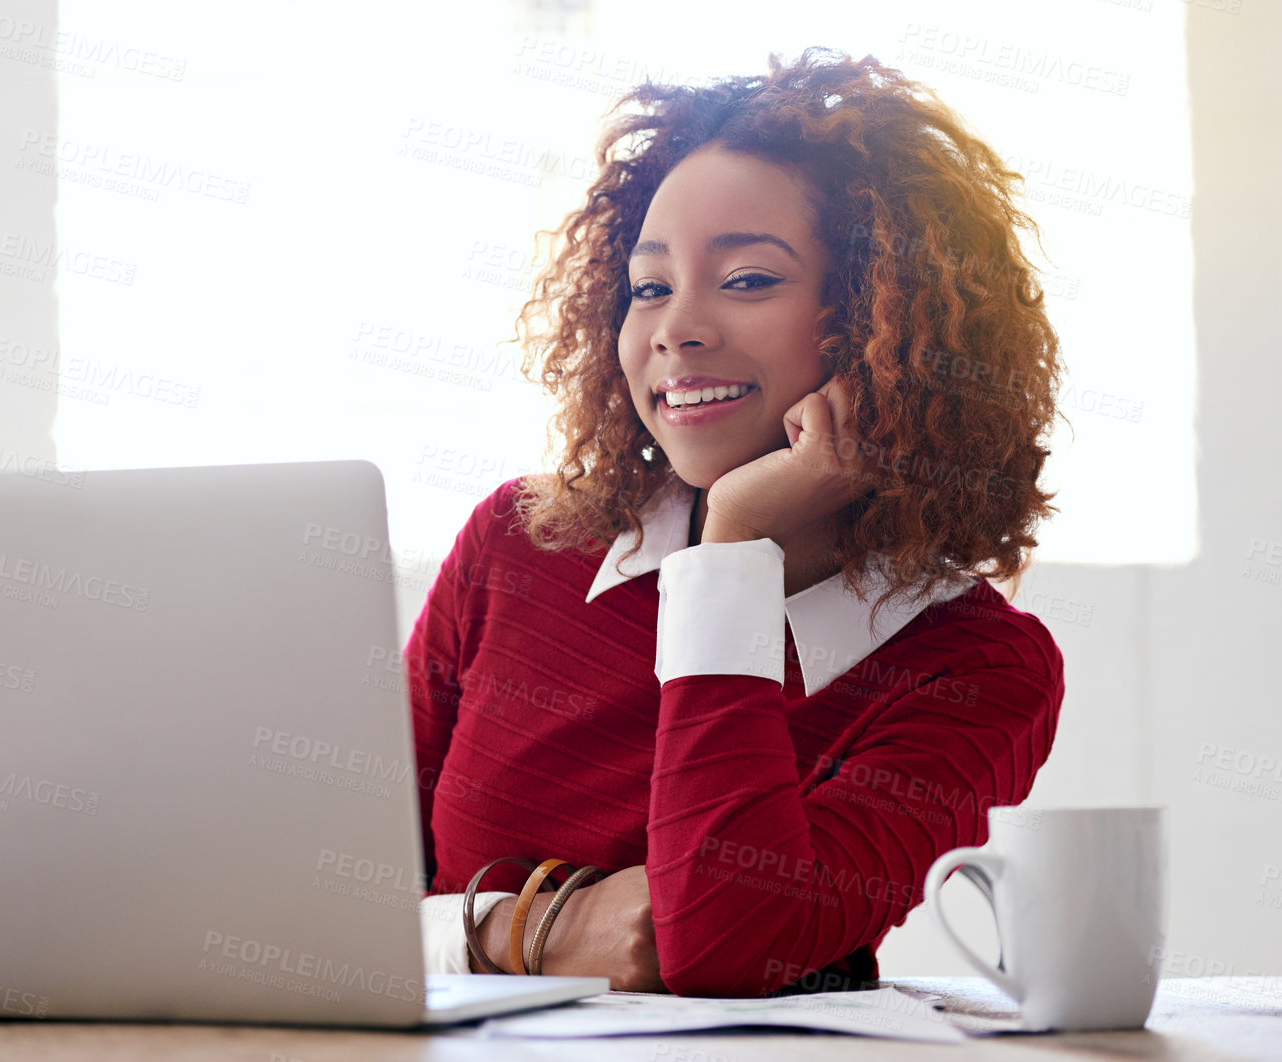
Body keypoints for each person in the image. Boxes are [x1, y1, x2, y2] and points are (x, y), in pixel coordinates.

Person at [407, 47, 1068, 997]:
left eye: (749, 280)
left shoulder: (977, 671)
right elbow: (304, 900)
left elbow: (725, 945)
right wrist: (531, 933)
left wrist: (737, 548)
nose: (676, 327)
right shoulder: (520, 545)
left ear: (893, 322)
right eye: (648, 287)